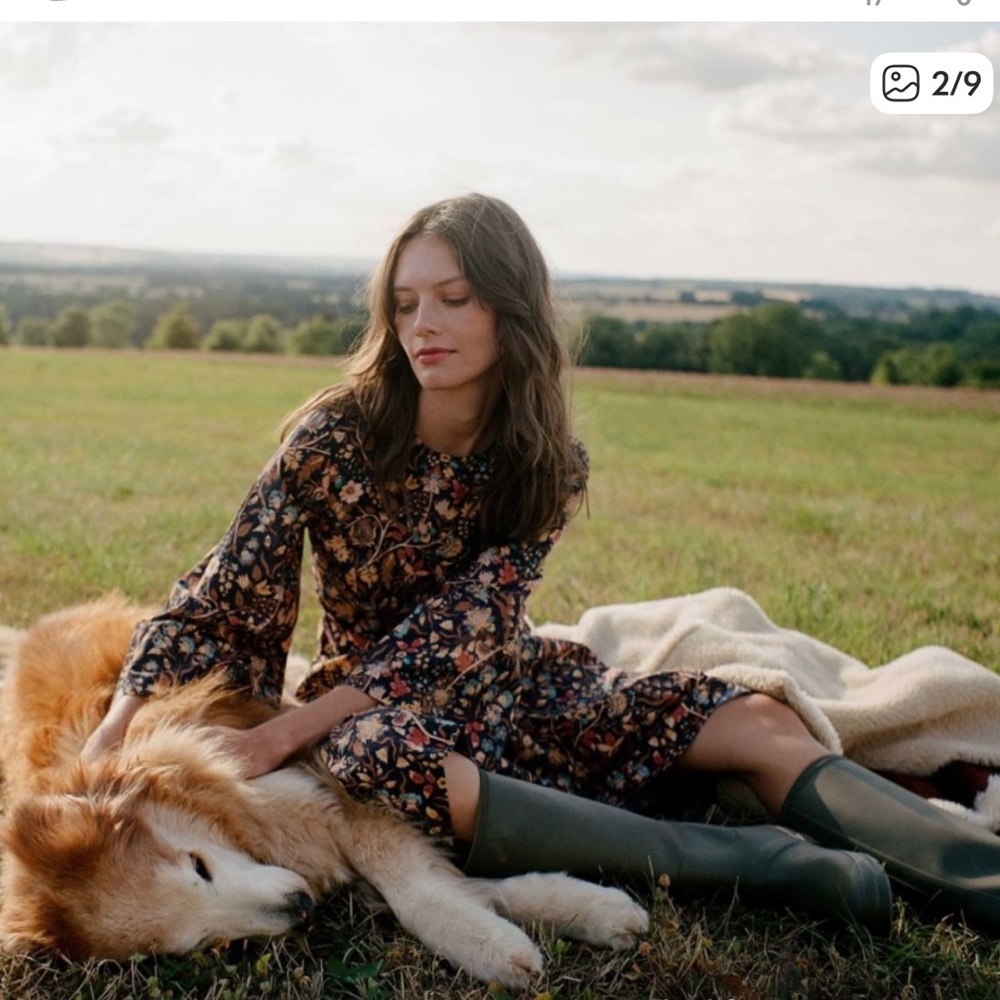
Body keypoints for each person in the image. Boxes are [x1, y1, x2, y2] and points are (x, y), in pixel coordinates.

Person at [84, 193, 1000, 938]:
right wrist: (122, 722)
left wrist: (283, 735)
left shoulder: (547, 462)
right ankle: (759, 863)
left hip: (515, 689)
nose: (423, 324)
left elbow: (467, 625)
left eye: (454, 298)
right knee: (367, 755)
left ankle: (980, 877)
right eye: (405, 303)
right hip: (372, 717)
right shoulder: (334, 437)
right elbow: (226, 588)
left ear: (509, 305)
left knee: (752, 717)